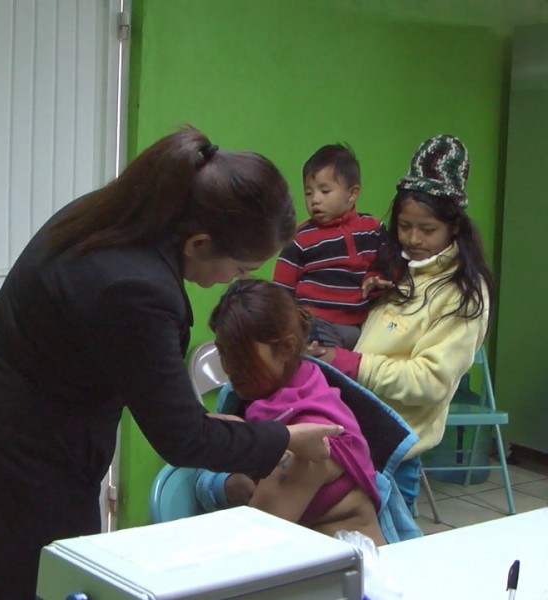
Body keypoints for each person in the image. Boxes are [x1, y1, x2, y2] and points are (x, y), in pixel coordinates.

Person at [0, 126, 345, 599]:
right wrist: (285, 437)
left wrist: (204, 420)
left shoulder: (108, 220)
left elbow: (140, 384)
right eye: (241, 268)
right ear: (199, 243)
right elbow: (182, 439)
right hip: (11, 466)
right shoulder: (136, 289)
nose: (233, 279)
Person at [311, 134, 494, 506]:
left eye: (427, 230)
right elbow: (382, 341)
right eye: (404, 226)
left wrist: (352, 364)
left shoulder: (462, 292)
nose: (412, 239)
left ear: (454, 227)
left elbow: (430, 381)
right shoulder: (402, 271)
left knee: (390, 551)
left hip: (396, 452)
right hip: (356, 433)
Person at [209, 279, 386, 546]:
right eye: (223, 352)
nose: (229, 367)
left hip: (349, 581)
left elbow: (252, 547)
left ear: (287, 347)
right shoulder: (296, 390)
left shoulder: (310, 444)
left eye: (241, 354)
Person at [273, 144, 386, 350]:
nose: (315, 200)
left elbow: (390, 261)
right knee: (326, 372)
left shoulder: (373, 228)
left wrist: (377, 275)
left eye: (325, 191)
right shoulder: (299, 238)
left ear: (352, 194)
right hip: (318, 324)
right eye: (308, 193)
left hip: (365, 325)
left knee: (363, 373)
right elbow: (282, 288)